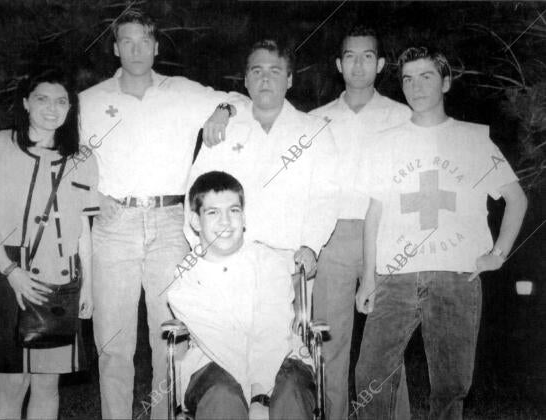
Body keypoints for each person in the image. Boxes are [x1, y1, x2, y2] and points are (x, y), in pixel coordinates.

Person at [78, 10, 243, 419]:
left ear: (156, 46)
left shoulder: (182, 91)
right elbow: (66, 162)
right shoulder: (90, 101)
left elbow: (238, 99)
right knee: (113, 344)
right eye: (126, 42)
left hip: (171, 223)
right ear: (116, 48)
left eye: (143, 42)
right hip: (114, 224)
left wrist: (222, 110)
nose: (135, 50)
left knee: (170, 339)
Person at [354, 47, 528, 419]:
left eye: (427, 77)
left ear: (446, 82)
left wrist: (497, 254)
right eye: (408, 79)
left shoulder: (473, 139)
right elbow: (374, 213)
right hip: (394, 277)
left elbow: (517, 199)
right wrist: (367, 277)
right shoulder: (385, 143)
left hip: (455, 276)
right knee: (369, 375)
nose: (415, 87)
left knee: (450, 386)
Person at [0, 68, 99, 419]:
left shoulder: (83, 158)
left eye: (61, 101)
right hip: (9, 268)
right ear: (25, 102)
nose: (52, 109)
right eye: (42, 99)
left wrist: (89, 286)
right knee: (12, 383)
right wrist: (11, 273)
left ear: (70, 109)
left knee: (47, 385)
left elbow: (82, 226)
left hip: (62, 275)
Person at [308, 25, 411, 419]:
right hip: (331, 238)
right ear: (338, 63)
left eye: (368, 56)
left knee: (387, 345)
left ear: (381, 64)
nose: (358, 64)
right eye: (350, 56)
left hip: (384, 239)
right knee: (330, 343)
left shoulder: (402, 117)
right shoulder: (316, 121)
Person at [185, 39, 339, 287]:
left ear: (289, 80)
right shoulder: (223, 128)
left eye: (275, 71)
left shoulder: (315, 130)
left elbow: (326, 197)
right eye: (257, 71)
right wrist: (200, 248)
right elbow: (196, 191)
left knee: (288, 326)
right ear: (245, 80)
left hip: (290, 264)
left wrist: (311, 246)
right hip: (228, 261)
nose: (265, 79)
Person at [168, 171, 316, 420]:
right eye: (213, 212)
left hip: (282, 356)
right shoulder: (184, 282)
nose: (226, 222)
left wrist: (261, 394)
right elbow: (223, 343)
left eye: (233, 211)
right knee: (222, 398)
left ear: (244, 217)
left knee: (290, 391)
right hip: (211, 363)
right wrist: (255, 396)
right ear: (195, 221)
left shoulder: (269, 262)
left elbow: (272, 332)